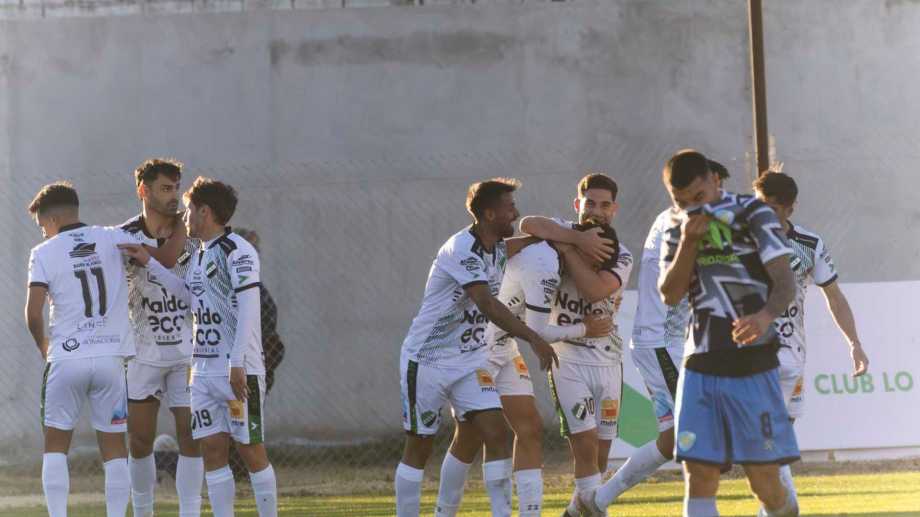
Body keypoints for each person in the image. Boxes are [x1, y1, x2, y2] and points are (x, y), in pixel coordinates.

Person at [394, 178, 560, 517]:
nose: (516, 213)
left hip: (470, 361)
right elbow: (487, 304)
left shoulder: (497, 246)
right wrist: (534, 337)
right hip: (427, 361)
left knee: (497, 433)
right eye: (509, 207)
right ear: (489, 214)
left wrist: (559, 236)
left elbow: (520, 243)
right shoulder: (461, 249)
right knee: (419, 446)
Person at [650, 150, 799, 517]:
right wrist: (689, 242)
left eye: (699, 197)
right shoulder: (675, 224)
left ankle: (784, 508)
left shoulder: (755, 213)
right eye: (681, 201)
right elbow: (669, 295)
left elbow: (785, 282)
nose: (692, 207)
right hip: (700, 363)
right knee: (699, 475)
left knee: (764, 484)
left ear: (715, 181)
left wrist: (764, 317)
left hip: (753, 363)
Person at [120, 177, 278, 517]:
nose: (184, 215)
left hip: (237, 371)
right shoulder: (198, 254)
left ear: (205, 212)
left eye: (189, 209)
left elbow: (249, 308)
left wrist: (237, 362)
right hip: (202, 372)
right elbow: (187, 295)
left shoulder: (238, 250)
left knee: (250, 448)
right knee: (212, 450)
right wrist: (148, 261)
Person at [25, 182, 184, 517]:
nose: (43, 233)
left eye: (42, 226)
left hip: (67, 358)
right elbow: (164, 255)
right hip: (111, 360)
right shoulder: (113, 237)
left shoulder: (43, 252)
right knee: (113, 449)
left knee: (55, 447)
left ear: (52, 220)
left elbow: (33, 312)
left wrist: (43, 344)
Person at [434, 233, 614, 517]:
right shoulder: (544, 262)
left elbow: (540, 226)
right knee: (469, 436)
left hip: (505, 348)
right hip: (477, 350)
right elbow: (539, 332)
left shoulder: (558, 250)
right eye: (594, 259)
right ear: (577, 248)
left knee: (529, 427)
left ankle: (530, 513)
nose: (594, 268)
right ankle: (443, 513)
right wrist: (584, 329)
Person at [587, 161, 730, 513]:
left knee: (670, 441)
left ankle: (596, 500)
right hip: (660, 344)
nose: (722, 195)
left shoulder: (688, 221)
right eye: (717, 188)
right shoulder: (679, 222)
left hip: (669, 343)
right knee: (702, 433)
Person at [518, 173, 633, 517]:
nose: (596, 211)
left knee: (601, 453)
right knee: (584, 443)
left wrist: (567, 250)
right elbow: (527, 223)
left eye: (604, 205)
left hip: (608, 361)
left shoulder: (622, 254)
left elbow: (596, 290)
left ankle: (574, 512)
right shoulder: (561, 232)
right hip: (567, 360)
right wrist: (573, 240)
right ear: (577, 204)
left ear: (614, 209)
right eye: (590, 203)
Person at [753, 171, 869, 501]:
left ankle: (781, 507)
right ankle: (782, 508)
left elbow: (835, 297)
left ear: (790, 209)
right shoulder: (741, 241)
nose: (764, 215)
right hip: (753, 352)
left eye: (772, 208)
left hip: (792, 352)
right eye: (759, 206)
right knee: (771, 437)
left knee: (782, 433)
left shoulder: (809, 244)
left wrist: (854, 344)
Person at [120, 159, 203, 517]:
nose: (173, 196)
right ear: (144, 190)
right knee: (140, 441)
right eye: (165, 188)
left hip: (186, 353)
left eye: (176, 188)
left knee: (191, 436)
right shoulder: (122, 237)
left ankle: (190, 511)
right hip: (144, 353)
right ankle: (143, 511)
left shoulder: (191, 235)